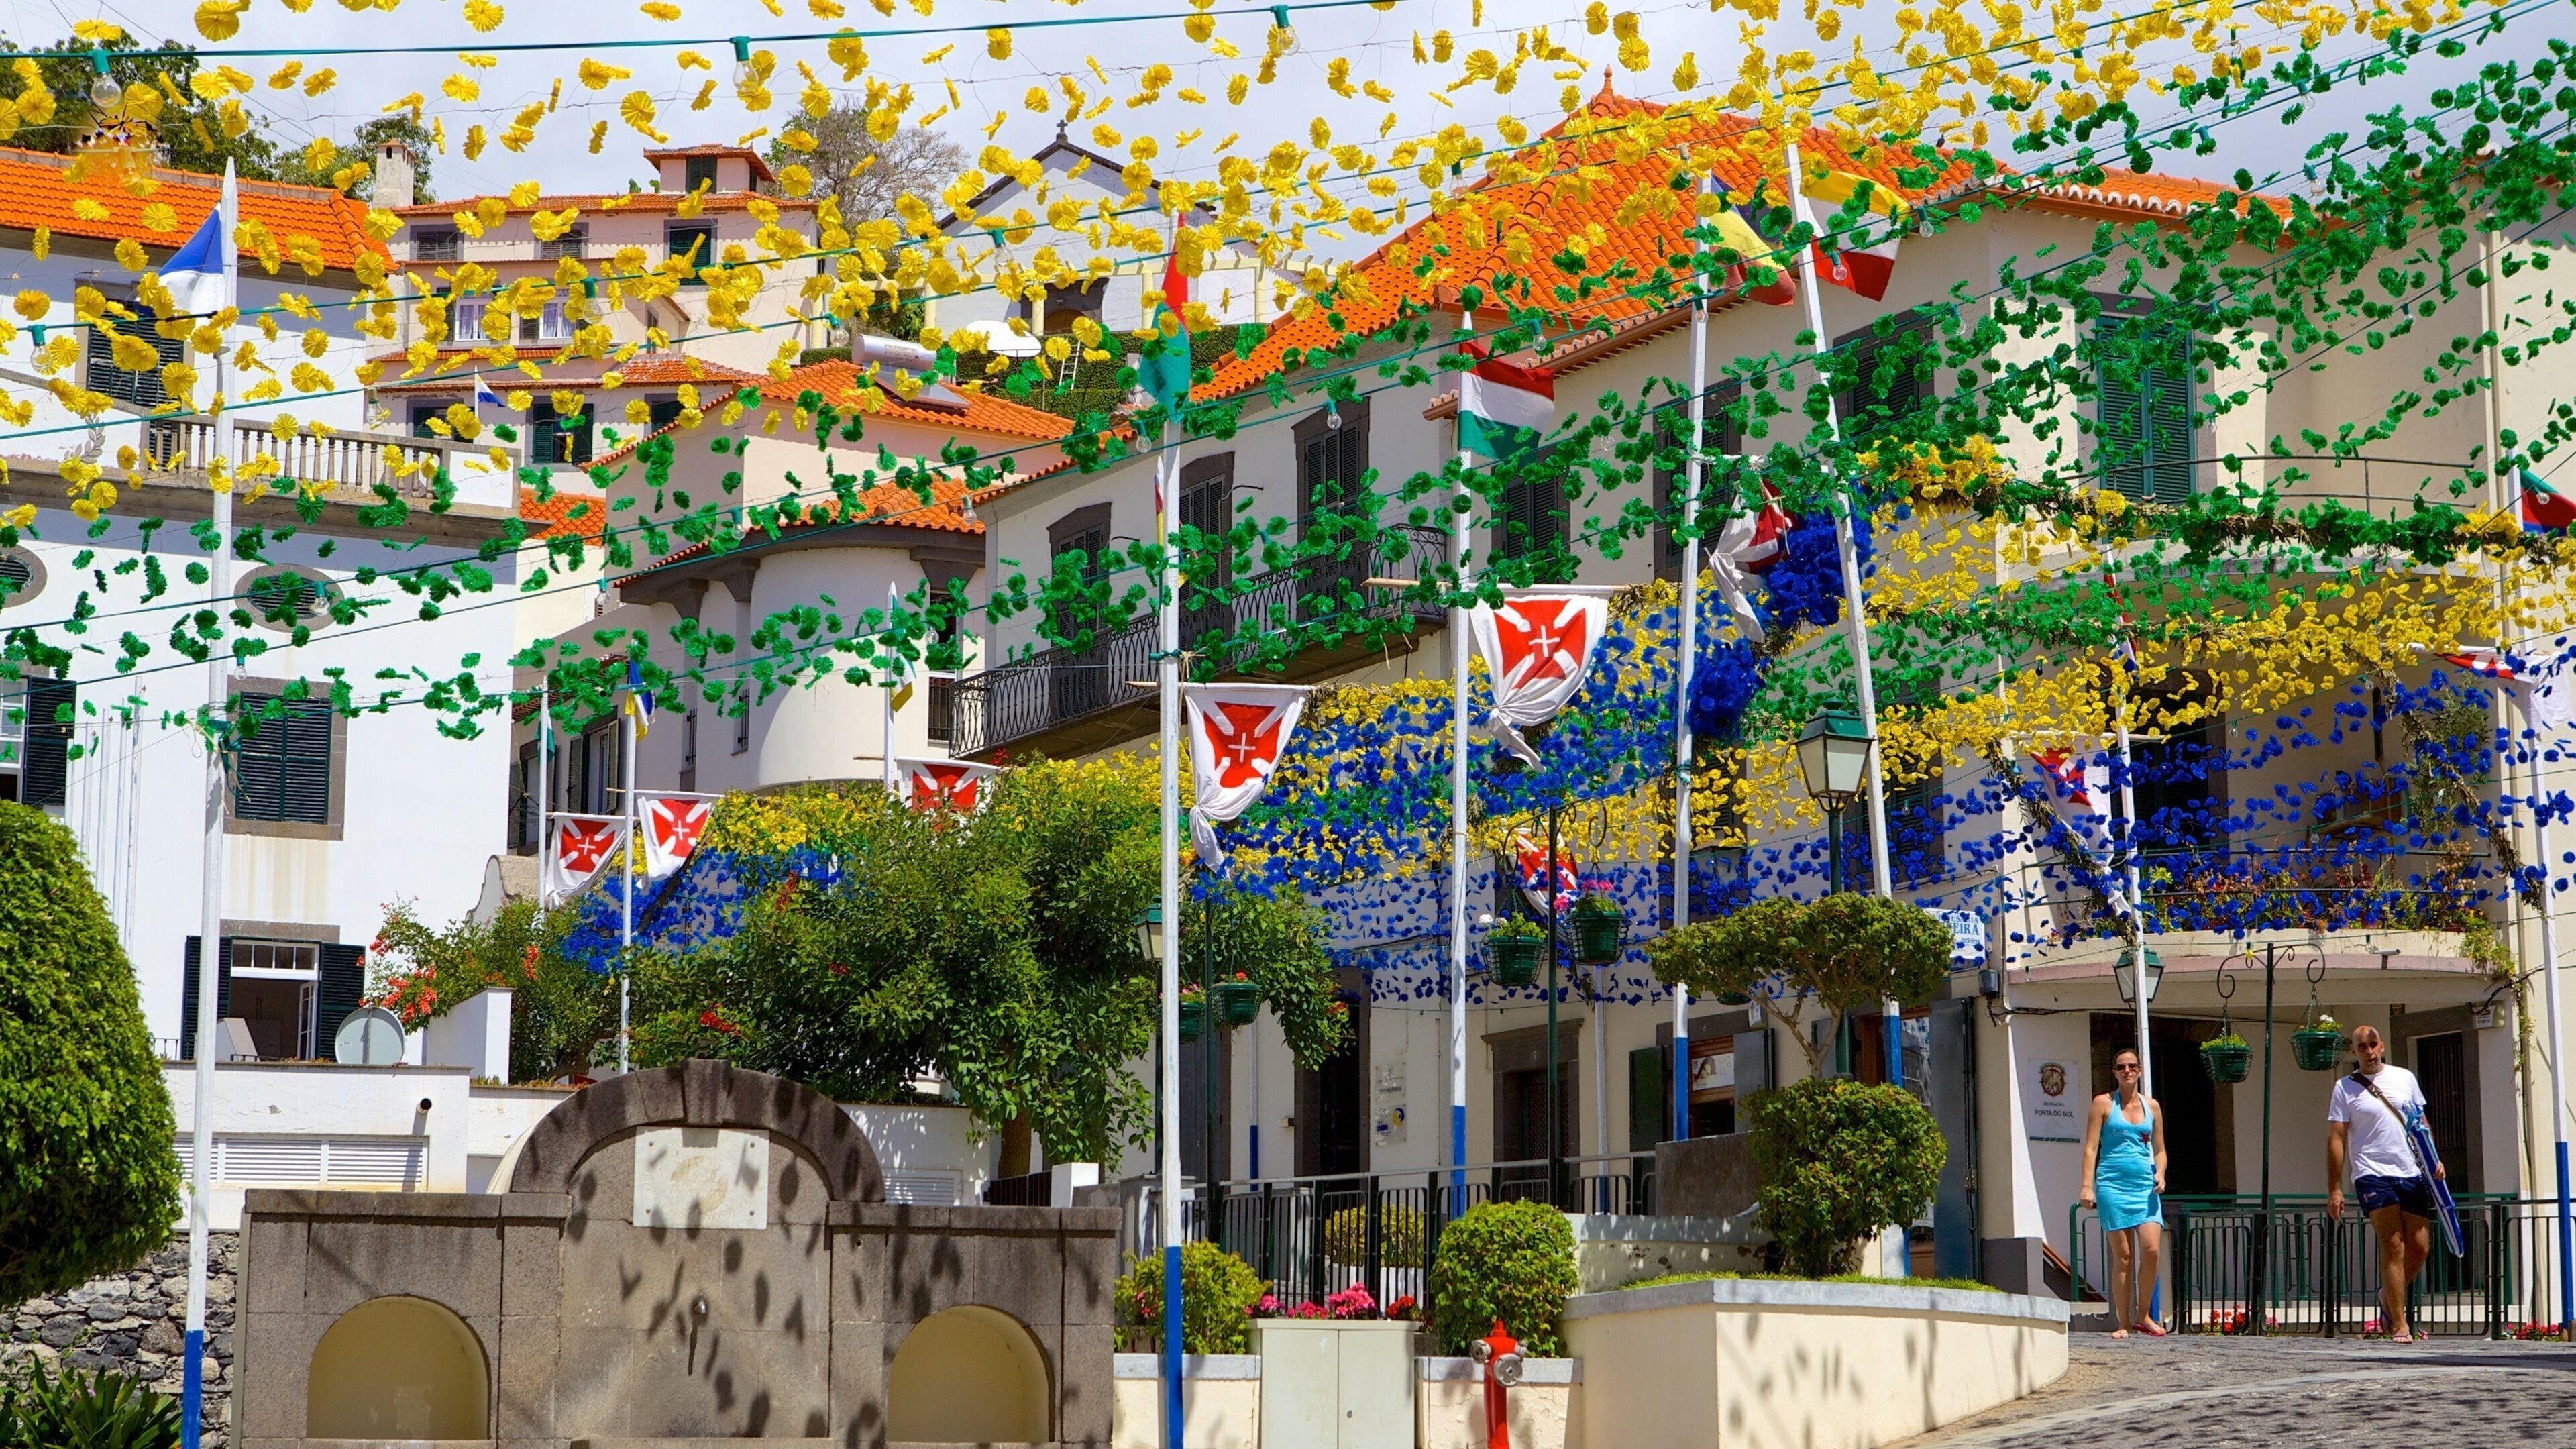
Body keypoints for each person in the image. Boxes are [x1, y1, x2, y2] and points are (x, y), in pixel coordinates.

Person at [2326, 1024, 2444, 1342]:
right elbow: (2336, 1138)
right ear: (2354, 1052)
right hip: (2371, 1173)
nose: (2369, 1051)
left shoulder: (2404, 1078)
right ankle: (2399, 1323)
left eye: (2373, 1045)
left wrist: (2434, 1158)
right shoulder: (2345, 1088)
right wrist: (2335, 1188)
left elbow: (2420, 1122)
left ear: (2382, 1047)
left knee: (2419, 1249)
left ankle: (2386, 1296)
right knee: (2393, 1245)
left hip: (2411, 1170)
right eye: (2362, 1047)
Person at [2079, 1046, 2169, 1338]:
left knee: (2152, 1250)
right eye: (2121, 1067)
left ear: (2140, 1070)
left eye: (2132, 1066)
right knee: (2125, 1256)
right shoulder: (2103, 1104)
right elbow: (2091, 1148)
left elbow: (2160, 1149)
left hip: (2144, 1187)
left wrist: (2162, 1174)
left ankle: (2143, 1314)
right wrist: (2087, 1186)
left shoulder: (2152, 1107)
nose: (2127, 1071)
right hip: (2112, 1186)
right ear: (2115, 1073)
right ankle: (2123, 1322)